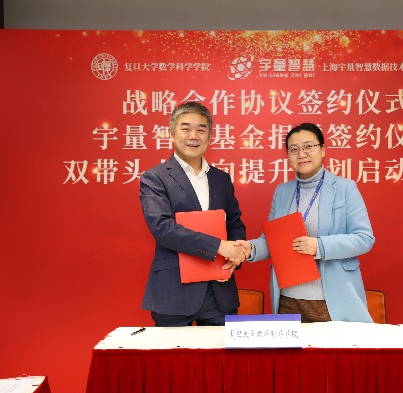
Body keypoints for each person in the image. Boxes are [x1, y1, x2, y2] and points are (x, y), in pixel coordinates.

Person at [236, 123, 375, 323]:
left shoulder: (345, 188)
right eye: (294, 149)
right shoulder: (282, 191)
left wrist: (319, 246)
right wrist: (250, 248)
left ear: (323, 149)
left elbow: (364, 238)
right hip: (288, 299)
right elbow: (272, 240)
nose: (302, 154)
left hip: (332, 300)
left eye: (309, 146)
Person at [139, 101, 246, 326]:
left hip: (219, 292)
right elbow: (162, 228)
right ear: (172, 134)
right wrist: (218, 246)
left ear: (210, 136)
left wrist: (236, 255)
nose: (193, 136)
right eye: (186, 129)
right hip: (174, 291)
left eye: (201, 129)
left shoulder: (221, 179)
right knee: (173, 351)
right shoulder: (155, 177)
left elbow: (235, 223)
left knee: (221, 351)